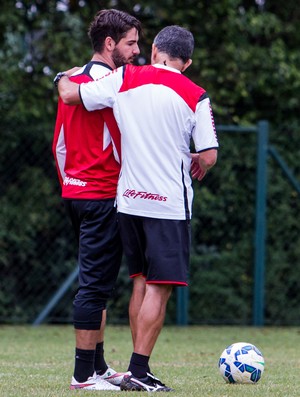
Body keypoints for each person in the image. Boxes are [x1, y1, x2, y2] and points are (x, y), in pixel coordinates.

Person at [56, 25, 219, 392]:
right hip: (168, 204)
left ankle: (130, 370)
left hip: (127, 201)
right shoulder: (196, 94)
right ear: (187, 62)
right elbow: (209, 154)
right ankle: (139, 370)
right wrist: (196, 160)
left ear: (156, 50)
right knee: (159, 288)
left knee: (140, 283)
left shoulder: (125, 76)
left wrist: (62, 77)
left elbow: (72, 94)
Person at [52, 9, 141, 391]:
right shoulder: (111, 84)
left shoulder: (74, 80)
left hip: (76, 193)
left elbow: (59, 144)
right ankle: (82, 377)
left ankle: (99, 368)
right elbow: (131, 138)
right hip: (102, 195)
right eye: (131, 43)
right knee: (93, 286)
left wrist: (70, 184)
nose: (137, 50)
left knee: (98, 283)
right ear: (110, 44)